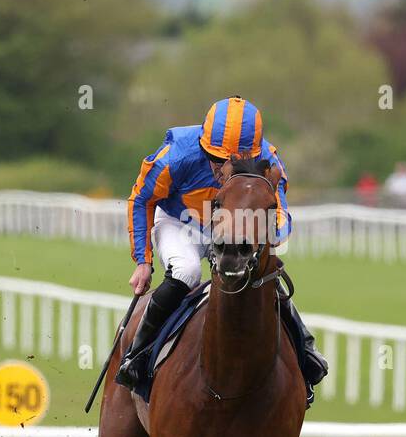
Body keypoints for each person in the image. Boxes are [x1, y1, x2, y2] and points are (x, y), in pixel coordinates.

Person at [115, 96, 328, 401]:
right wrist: (143, 261)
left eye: (233, 161)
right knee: (187, 271)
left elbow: (279, 215)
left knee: (267, 275)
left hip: (230, 228)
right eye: (215, 158)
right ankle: (136, 355)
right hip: (180, 222)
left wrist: (272, 235)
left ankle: (306, 353)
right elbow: (141, 199)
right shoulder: (174, 157)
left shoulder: (269, 163)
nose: (223, 168)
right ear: (204, 146)